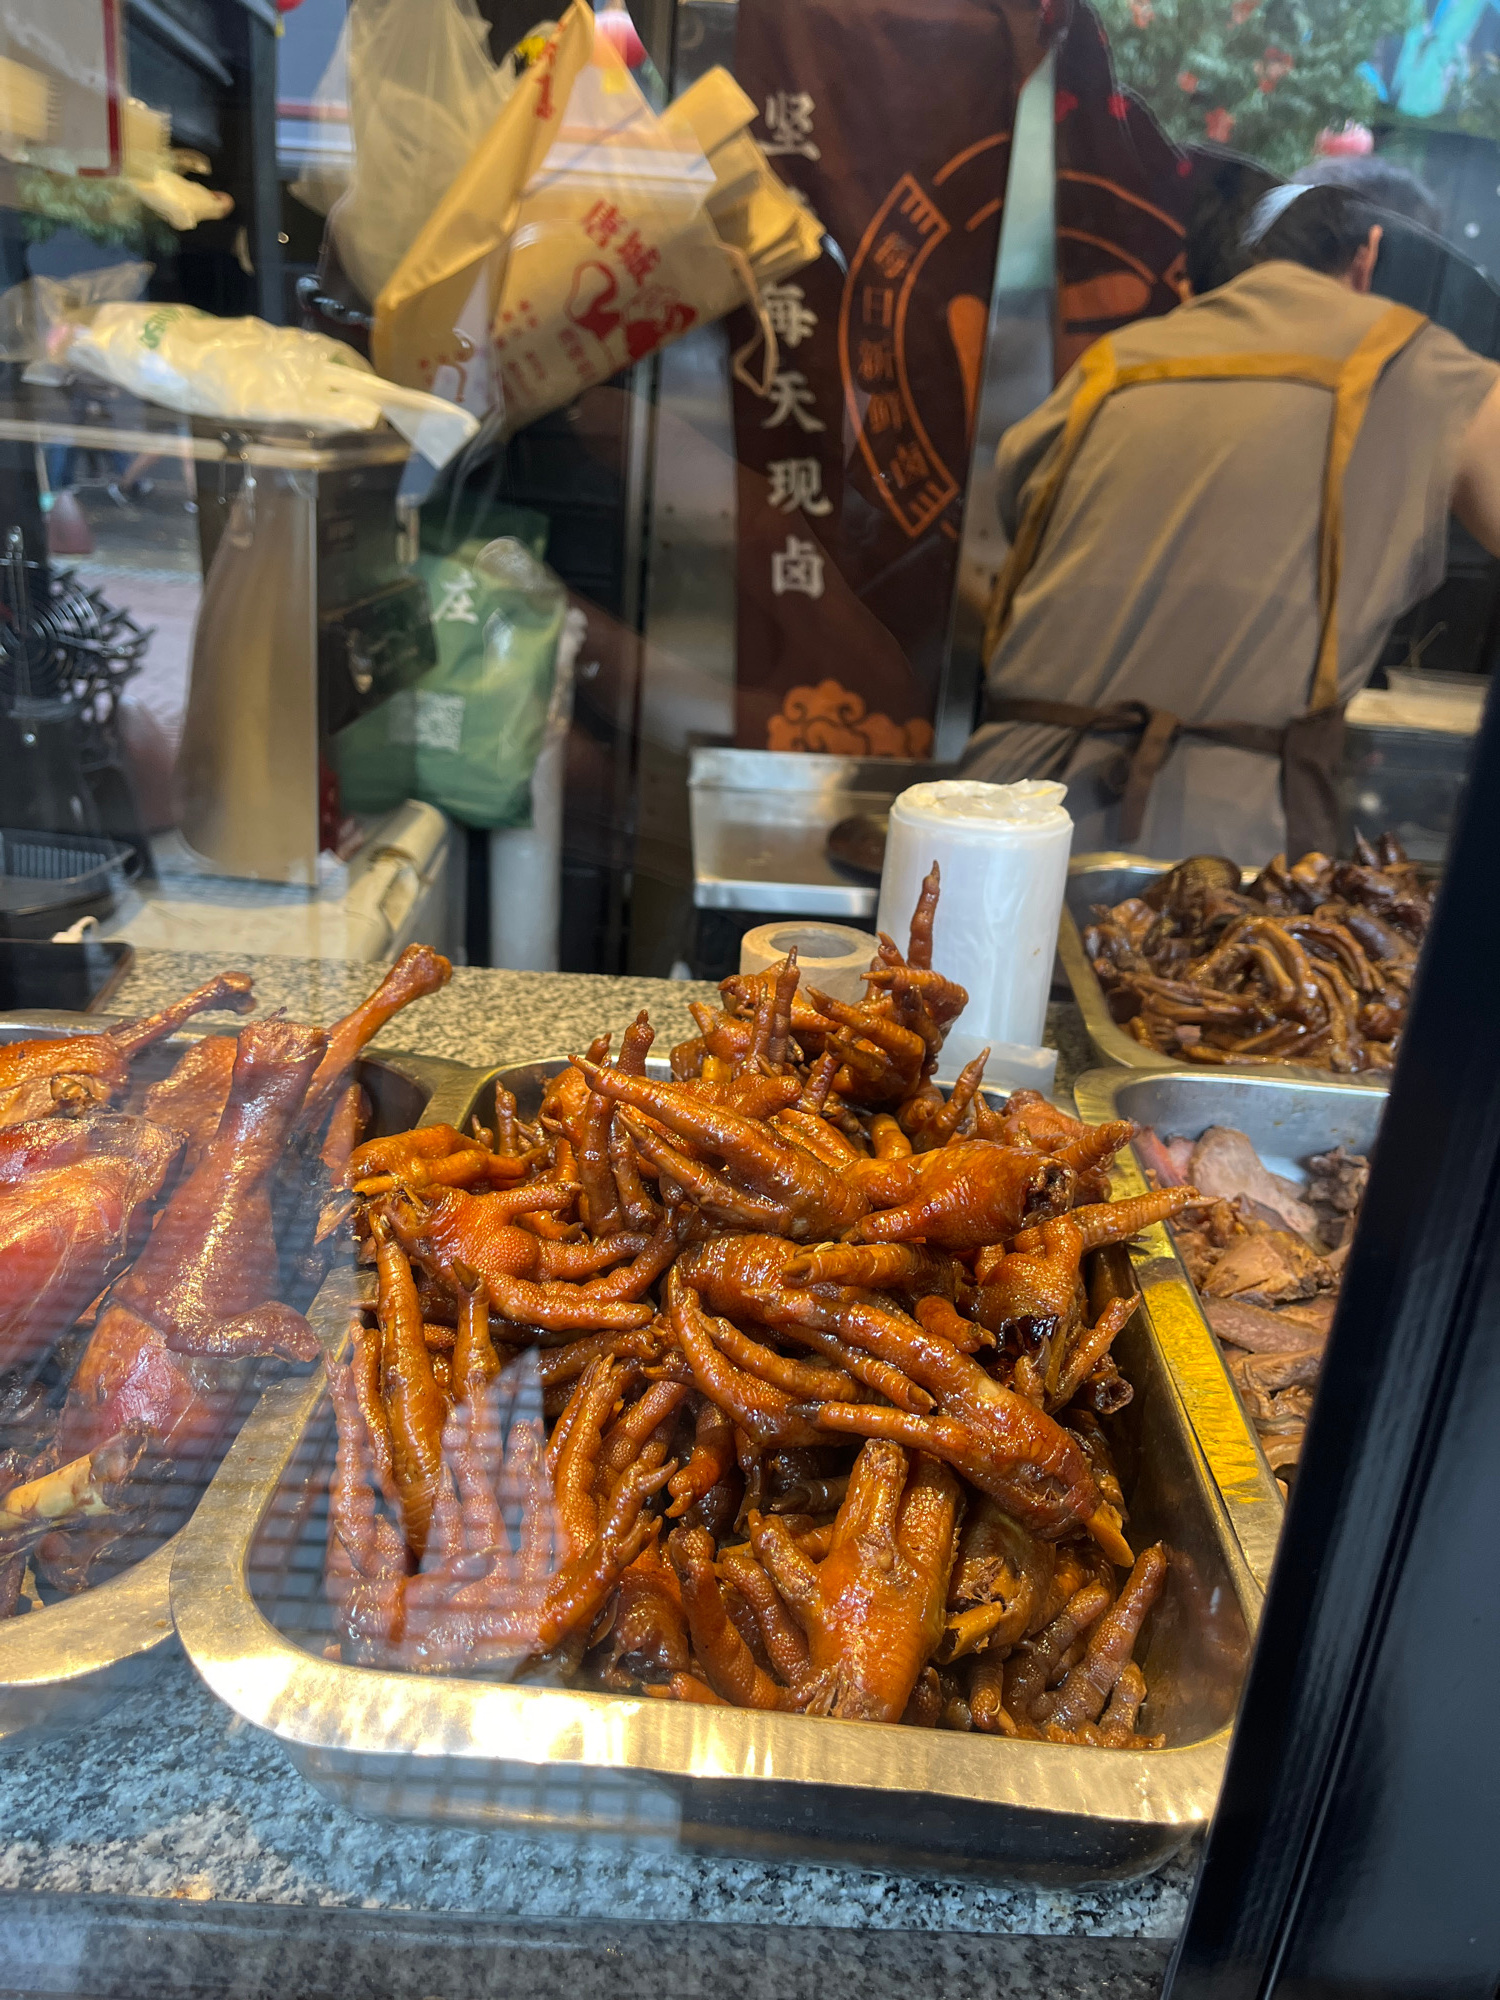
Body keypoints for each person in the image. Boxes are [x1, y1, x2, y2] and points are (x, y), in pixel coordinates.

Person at [959, 178, 1500, 859]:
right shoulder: (1413, 364)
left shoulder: (1109, 367)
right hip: (1217, 853)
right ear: (1367, 255)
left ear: (1193, 277)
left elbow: (1003, 553)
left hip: (993, 821)